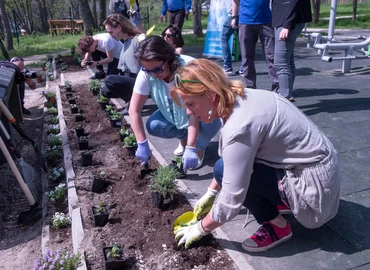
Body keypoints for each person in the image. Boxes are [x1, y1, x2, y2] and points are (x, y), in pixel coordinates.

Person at [171, 59, 341, 252]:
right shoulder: (242, 96)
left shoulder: (239, 126)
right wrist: (211, 193)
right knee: (224, 168)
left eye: (191, 104)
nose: (188, 111)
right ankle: (283, 200)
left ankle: (277, 226)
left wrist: (200, 229)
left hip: (314, 191)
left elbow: (231, 200)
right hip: (324, 172)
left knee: (222, 170)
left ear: (211, 94)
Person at [128, 36, 221, 172]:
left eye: (157, 70)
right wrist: (141, 143)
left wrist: (192, 146)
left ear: (168, 58)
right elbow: (134, 110)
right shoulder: (147, 73)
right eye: (148, 70)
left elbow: (194, 110)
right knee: (154, 125)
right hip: (174, 111)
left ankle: (200, 148)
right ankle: (184, 137)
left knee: (209, 122)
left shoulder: (188, 69)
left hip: (200, 109)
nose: (153, 75)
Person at [232, 0, 279, 92]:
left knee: (272, 56)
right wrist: (234, 17)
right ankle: (250, 86)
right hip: (246, 22)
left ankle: (277, 88)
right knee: (246, 56)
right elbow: (235, 1)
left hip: (266, 21)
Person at [271, 0, 312, 102]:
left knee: (281, 62)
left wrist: (287, 25)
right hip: (284, 18)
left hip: (288, 20)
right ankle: (287, 95)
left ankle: (285, 98)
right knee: (287, 61)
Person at [101, 14, 142, 107]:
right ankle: (132, 99)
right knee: (105, 91)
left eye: (111, 32)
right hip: (130, 78)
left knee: (109, 80)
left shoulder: (136, 41)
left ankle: (134, 103)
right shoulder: (125, 43)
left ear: (119, 27)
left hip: (139, 80)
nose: (110, 36)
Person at [221, 0, 242, 75]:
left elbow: (235, 1)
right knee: (243, 41)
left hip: (234, 15)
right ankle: (244, 68)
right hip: (245, 15)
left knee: (224, 38)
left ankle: (227, 66)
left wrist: (234, 17)